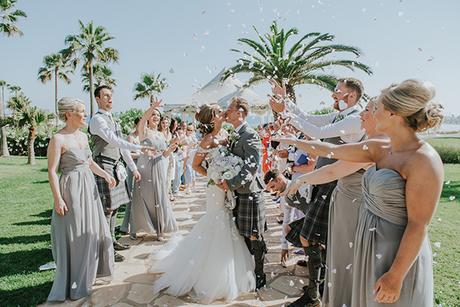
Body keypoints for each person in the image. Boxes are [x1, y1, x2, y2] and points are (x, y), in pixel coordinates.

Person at [279, 79, 444, 306]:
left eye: (378, 108)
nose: (371, 113)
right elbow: (332, 150)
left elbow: (418, 225)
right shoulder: (381, 148)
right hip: (368, 241)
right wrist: (290, 140)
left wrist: (395, 276)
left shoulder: (424, 160)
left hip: (395, 249)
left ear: (394, 114)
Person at [280, 99, 388, 307]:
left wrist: (295, 142)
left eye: (366, 110)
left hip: (359, 209)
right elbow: (332, 160)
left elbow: (328, 151)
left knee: (346, 260)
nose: (361, 115)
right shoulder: (372, 143)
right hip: (346, 202)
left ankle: (319, 293)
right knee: (340, 256)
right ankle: (319, 291)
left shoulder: (377, 144)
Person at [270, 78, 366, 307]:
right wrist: (286, 102)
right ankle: (319, 283)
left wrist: (285, 112)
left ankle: (314, 294)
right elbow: (310, 119)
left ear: (351, 97)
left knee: (308, 235)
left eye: (337, 92)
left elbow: (316, 131)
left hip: (334, 183)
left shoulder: (355, 119)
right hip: (324, 182)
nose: (333, 95)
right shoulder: (342, 115)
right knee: (315, 237)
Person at [150, 104, 255, 303]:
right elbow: (195, 165)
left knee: (228, 220)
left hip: (228, 185)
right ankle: (211, 274)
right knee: (217, 221)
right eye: (218, 111)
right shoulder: (208, 140)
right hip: (215, 188)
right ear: (212, 118)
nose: (223, 111)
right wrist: (214, 177)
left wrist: (230, 176)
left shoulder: (227, 133)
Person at [47, 97, 115, 301]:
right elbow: (51, 171)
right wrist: (58, 199)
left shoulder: (84, 137)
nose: (85, 115)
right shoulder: (58, 139)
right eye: (82, 111)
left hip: (89, 187)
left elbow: (89, 161)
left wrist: (105, 174)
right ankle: (75, 279)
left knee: (91, 230)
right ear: (69, 114)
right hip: (71, 188)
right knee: (75, 233)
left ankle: (89, 274)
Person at [89, 85, 150, 262]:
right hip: (104, 166)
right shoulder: (97, 120)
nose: (110, 99)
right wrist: (139, 147)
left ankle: (113, 240)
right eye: (106, 96)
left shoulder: (112, 119)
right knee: (107, 208)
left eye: (111, 96)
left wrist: (134, 168)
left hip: (116, 166)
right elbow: (114, 140)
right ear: (97, 99)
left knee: (115, 207)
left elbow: (121, 147)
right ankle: (106, 248)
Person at [218, 97, 267, 289]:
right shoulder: (235, 134)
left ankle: (260, 274)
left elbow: (252, 167)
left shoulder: (250, 135)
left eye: (229, 110)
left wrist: (231, 183)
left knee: (255, 235)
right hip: (239, 193)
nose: (226, 113)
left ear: (239, 113)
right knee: (244, 234)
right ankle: (248, 270)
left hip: (250, 192)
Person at [131, 102, 178, 241]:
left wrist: (170, 149)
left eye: (158, 115)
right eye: (153, 115)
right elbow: (142, 121)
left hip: (159, 166)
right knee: (144, 196)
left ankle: (160, 230)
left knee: (160, 196)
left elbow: (164, 154)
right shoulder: (144, 131)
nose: (156, 117)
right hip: (146, 167)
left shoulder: (161, 134)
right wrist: (151, 108)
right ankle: (137, 227)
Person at [120, 116, 141, 240]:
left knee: (138, 198)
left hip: (142, 168)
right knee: (131, 196)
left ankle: (135, 224)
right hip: (132, 168)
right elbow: (126, 154)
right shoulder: (130, 137)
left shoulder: (143, 137)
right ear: (136, 124)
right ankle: (126, 225)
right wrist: (139, 153)